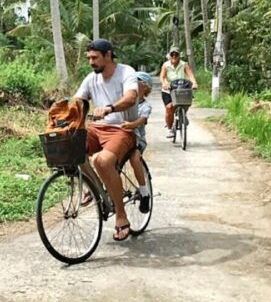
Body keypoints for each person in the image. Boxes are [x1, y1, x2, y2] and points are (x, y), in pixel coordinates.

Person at [75, 38, 138, 241]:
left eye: (95, 58)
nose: (91, 62)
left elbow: (130, 97)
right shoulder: (91, 78)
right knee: (71, 148)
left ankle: (121, 216)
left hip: (122, 129)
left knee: (101, 161)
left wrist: (110, 108)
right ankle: (96, 190)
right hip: (96, 129)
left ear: (108, 55)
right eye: (89, 58)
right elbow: (78, 100)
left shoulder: (125, 72)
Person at [121, 71, 153, 213]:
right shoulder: (125, 100)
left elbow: (143, 119)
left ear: (145, 88)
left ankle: (144, 191)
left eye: (137, 82)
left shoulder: (145, 106)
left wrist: (131, 125)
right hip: (122, 136)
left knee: (135, 158)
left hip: (137, 139)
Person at [159, 47, 198, 138]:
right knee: (170, 107)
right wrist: (165, 83)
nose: (174, 56)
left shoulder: (184, 64)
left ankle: (183, 114)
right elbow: (162, 77)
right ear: (169, 55)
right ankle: (170, 129)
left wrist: (194, 83)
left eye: (176, 54)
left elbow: (190, 75)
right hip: (169, 90)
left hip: (182, 88)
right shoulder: (166, 65)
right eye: (172, 54)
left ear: (179, 56)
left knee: (186, 102)